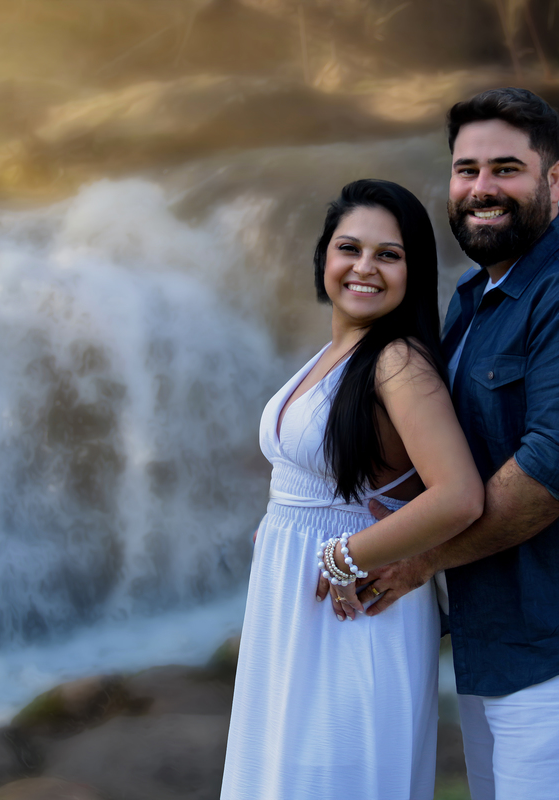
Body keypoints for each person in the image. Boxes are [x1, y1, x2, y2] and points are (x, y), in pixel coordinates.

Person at [349, 88, 559, 799]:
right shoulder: (475, 298)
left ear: (553, 179)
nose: (482, 189)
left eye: (506, 168)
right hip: (499, 637)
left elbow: (552, 470)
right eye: (467, 170)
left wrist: (417, 562)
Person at [220, 179, 484, 799]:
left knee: (330, 778)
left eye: (388, 255)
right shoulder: (335, 353)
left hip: (352, 609)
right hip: (292, 607)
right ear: (324, 259)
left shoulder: (397, 362)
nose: (364, 267)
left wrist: (346, 554)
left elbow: (459, 494)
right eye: (350, 248)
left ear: (412, 272)